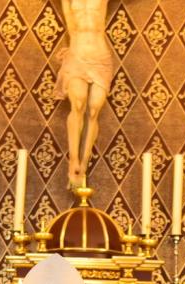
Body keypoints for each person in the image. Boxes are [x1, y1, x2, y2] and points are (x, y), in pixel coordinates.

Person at [56, 0, 114, 188]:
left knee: (95, 109)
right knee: (78, 104)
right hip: (77, 53)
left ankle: (84, 163)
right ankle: (73, 160)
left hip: (100, 56)